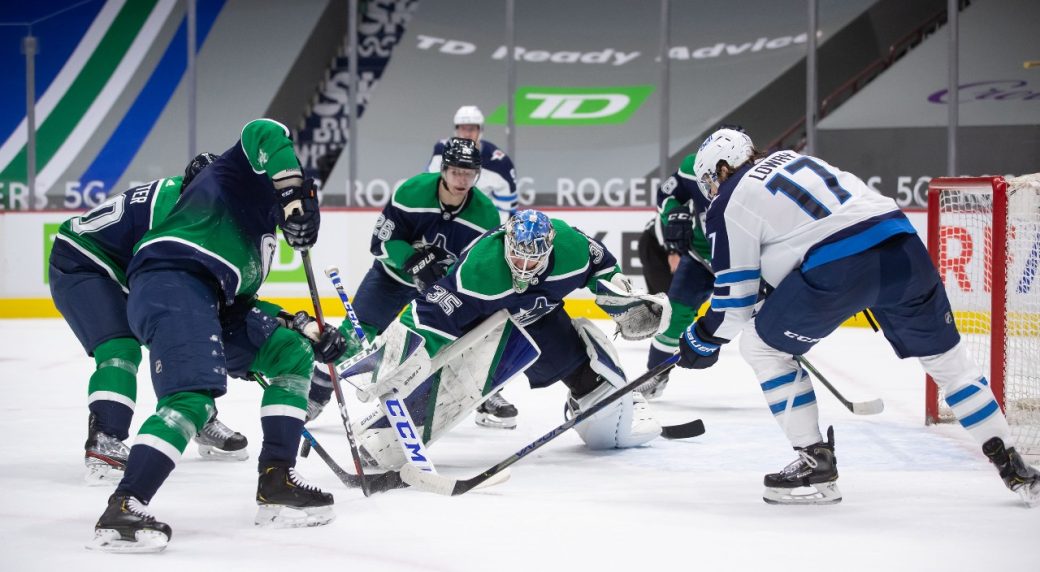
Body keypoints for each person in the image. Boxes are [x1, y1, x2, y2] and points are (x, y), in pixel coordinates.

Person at [676, 128, 1040, 506]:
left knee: (761, 347)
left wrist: (701, 337)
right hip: (903, 247)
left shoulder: (730, 199)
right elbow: (807, 231)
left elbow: (734, 306)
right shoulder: (800, 160)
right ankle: (1013, 466)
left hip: (840, 267)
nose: (712, 190)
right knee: (950, 364)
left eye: (709, 181)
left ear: (723, 167)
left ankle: (813, 460)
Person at [87, 119, 348, 553]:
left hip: (210, 299)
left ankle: (277, 481)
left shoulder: (258, 245)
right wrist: (290, 188)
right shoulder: (239, 177)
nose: (300, 219)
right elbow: (265, 130)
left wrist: (302, 325)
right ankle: (122, 508)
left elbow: (243, 306)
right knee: (191, 397)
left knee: (291, 355)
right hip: (172, 280)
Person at [349, 209, 667, 470]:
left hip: (541, 320)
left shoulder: (572, 246)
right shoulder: (479, 270)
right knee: (449, 378)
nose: (524, 268)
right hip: (484, 328)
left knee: (610, 422)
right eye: (517, 258)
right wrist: (395, 356)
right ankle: (386, 431)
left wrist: (619, 294)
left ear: (551, 248)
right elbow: (429, 313)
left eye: (533, 260)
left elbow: (602, 265)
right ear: (506, 243)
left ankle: (595, 394)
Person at [49, 153, 249, 485]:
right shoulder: (171, 208)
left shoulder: (199, 206)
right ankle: (105, 439)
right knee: (121, 349)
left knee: (186, 330)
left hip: (127, 268)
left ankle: (200, 414)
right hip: (83, 262)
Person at [306, 137, 512, 428]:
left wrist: (448, 276)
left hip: (439, 292)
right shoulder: (411, 193)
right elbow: (379, 243)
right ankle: (315, 396)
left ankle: (485, 395)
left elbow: (478, 267)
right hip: (391, 280)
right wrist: (412, 261)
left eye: (469, 173)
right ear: (443, 169)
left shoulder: (486, 215)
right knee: (352, 337)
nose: (462, 180)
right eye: (456, 172)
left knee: (471, 338)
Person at [636, 152, 715, 400]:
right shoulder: (696, 166)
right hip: (702, 256)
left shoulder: (755, 174)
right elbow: (668, 194)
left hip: (745, 258)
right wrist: (673, 212)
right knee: (673, 315)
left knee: (765, 322)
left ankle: (783, 364)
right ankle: (655, 374)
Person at [428, 105, 518, 221]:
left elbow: (507, 210)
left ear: (480, 130)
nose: (467, 134)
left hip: (480, 223)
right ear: (456, 130)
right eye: (463, 128)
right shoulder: (441, 151)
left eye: (472, 129)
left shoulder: (501, 164)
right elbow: (430, 189)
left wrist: (489, 233)